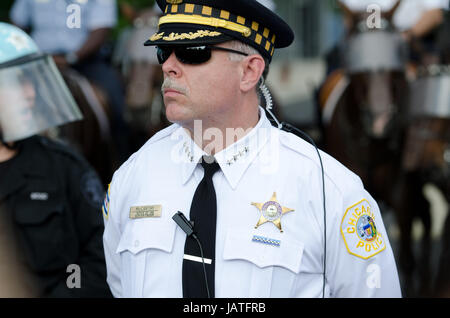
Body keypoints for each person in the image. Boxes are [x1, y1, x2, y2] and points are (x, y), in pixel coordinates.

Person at [103, 0, 401, 298]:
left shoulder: (331, 192)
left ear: (249, 72)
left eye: (192, 52)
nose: (168, 66)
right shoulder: (132, 177)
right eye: (162, 51)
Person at [0, 22, 111, 297]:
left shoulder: (65, 167)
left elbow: (101, 260)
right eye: (16, 84)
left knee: (115, 102)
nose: (30, 94)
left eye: (32, 82)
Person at [10, 0, 130, 162]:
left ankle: (119, 164)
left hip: (85, 61)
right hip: (38, 62)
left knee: (117, 104)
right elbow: (18, 22)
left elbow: (101, 29)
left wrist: (71, 58)